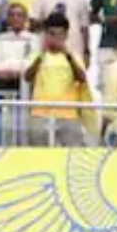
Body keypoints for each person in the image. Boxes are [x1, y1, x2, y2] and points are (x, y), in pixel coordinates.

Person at [23, 13, 91, 147]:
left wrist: (68, 56)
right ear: (46, 34)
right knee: (37, 155)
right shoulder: (36, 54)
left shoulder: (74, 56)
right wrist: (41, 56)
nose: (55, 38)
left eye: (60, 34)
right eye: (51, 33)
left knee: (72, 154)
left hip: (68, 114)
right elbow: (27, 77)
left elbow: (82, 78)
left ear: (66, 35)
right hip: (40, 113)